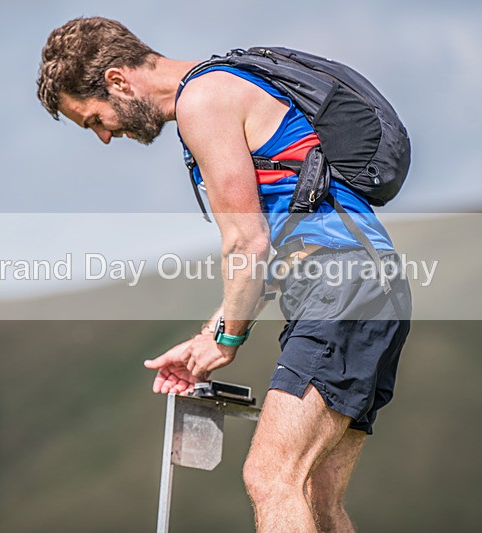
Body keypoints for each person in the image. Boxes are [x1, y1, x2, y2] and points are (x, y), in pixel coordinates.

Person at [37, 16, 411, 533]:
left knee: (271, 476)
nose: (104, 136)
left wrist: (228, 340)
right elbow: (280, 245)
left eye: (94, 118)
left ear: (118, 81)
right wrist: (208, 337)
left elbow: (246, 242)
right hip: (372, 287)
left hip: (340, 289)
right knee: (317, 496)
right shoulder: (225, 85)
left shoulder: (204, 99)